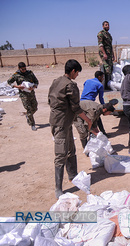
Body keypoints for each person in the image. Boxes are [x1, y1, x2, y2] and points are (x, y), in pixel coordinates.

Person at [48, 59, 92, 199]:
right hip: (61, 124)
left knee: (70, 150)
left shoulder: (56, 81)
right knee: (61, 155)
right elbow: (76, 108)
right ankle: (58, 189)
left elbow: (50, 100)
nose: (77, 75)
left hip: (61, 122)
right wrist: (88, 120)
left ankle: (72, 175)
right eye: (77, 72)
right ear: (73, 71)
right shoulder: (70, 85)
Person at [7, 62, 39, 131]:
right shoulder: (16, 75)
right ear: (19, 68)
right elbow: (9, 81)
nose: (24, 70)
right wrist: (17, 86)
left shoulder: (30, 73)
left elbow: (36, 81)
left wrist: (33, 87)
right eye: (22, 69)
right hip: (23, 95)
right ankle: (32, 124)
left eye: (25, 69)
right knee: (29, 109)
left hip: (31, 94)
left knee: (35, 108)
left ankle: (27, 115)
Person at [81, 71, 109, 137]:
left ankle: (89, 134)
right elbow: (101, 98)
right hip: (90, 104)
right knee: (97, 117)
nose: (103, 79)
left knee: (85, 119)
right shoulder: (100, 85)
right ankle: (102, 132)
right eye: (102, 77)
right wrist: (104, 107)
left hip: (81, 101)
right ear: (99, 77)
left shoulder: (87, 81)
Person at [98, 20, 116, 88]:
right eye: (106, 25)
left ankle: (109, 84)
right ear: (103, 26)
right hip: (105, 54)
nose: (107, 26)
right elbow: (101, 45)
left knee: (111, 68)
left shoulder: (109, 35)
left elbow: (110, 46)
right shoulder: (101, 34)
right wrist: (104, 54)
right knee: (107, 69)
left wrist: (113, 55)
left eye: (108, 25)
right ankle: (106, 85)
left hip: (109, 54)